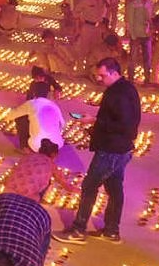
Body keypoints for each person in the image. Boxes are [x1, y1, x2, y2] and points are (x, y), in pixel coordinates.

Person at [53, 58, 141, 245]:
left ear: (114, 72)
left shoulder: (119, 94)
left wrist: (94, 121)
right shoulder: (125, 88)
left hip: (111, 150)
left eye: (103, 75)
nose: (100, 79)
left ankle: (78, 229)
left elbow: (125, 125)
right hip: (121, 148)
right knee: (114, 188)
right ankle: (111, 231)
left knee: (89, 186)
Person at [2, 139, 77, 202]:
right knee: (48, 182)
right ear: (53, 154)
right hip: (26, 198)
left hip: (7, 191)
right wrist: (82, 192)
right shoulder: (50, 164)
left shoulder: (28, 156)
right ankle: (35, 203)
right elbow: (66, 185)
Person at [125, 0, 153, 85]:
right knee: (133, 58)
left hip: (147, 35)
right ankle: (130, 79)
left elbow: (151, 18)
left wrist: (151, 30)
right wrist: (132, 35)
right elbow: (129, 21)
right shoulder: (133, 4)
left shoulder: (150, 2)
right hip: (136, 35)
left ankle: (147, 79)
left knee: (148, 58)